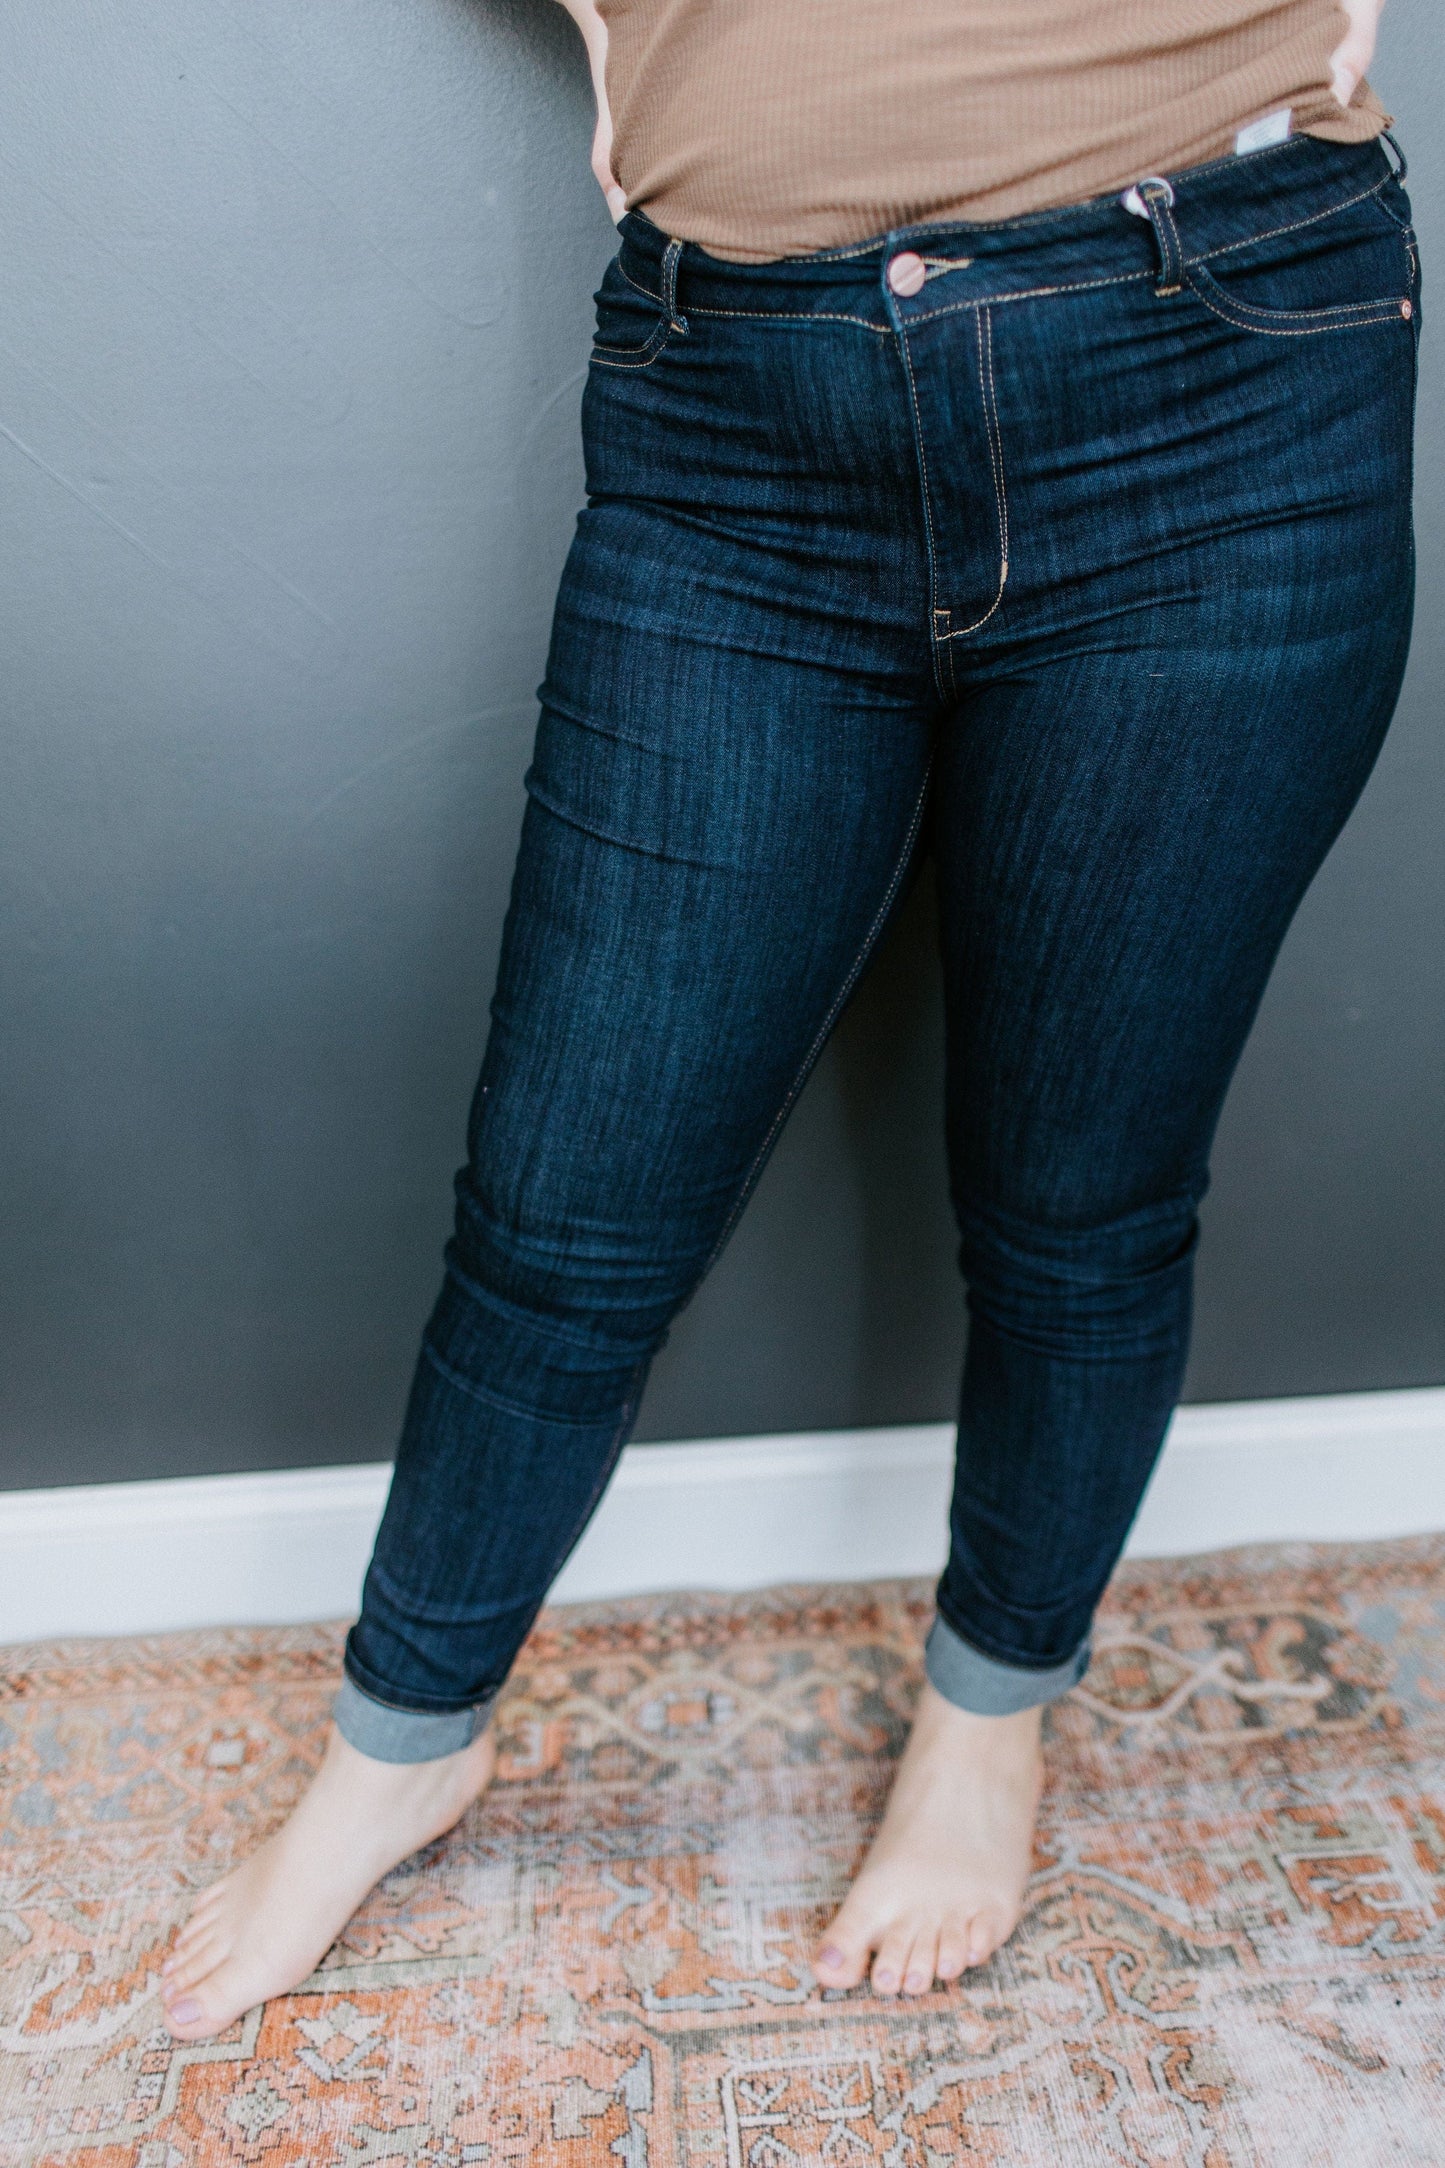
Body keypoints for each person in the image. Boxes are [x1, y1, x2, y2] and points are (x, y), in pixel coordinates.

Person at [161, 0, 1415, 2037]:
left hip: (1222, 362)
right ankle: (401, 1749)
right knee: (567, 1207)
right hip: (732, 403)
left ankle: (989, 1723)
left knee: (1081, 1198)